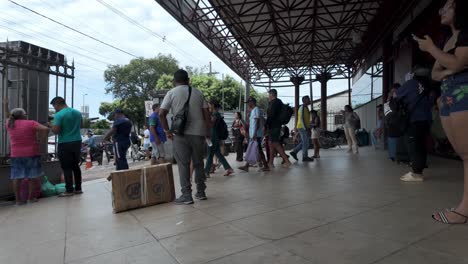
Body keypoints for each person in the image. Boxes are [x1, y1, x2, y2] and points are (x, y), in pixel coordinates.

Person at [414, 0, 468, 223]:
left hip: (463, 94)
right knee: (464, 154)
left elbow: (455, 64)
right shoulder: (447, 40)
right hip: (448, 96)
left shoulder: (465, 34)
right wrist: (452, 67)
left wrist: (433, 51)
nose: (441, 11)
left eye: (447, 6)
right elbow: (436, 73)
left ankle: (464, 211)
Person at [159, 69, 211, 205]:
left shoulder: (171, 93)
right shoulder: (198, 92)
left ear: (174, 81)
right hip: (198, 132)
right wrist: (208, 131)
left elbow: (161, 114)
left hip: (180, 133)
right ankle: (201, 192)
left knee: (183, 164)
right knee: (199, 163)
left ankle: (186, 195)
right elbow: (207, 113)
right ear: (188, 80)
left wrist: (167, 131)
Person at [3, 98, 50, 205]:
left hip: (16, 154)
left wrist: (5, 105)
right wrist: (41, 141)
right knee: (32, 177)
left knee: (17, 177)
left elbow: (7, 116)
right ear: (22, 115)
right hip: (32, 153)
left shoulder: (10, 124)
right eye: (25, 113)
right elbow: (46, 129)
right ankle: (30, 199)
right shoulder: (31, 123)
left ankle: (18, 201)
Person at [396, 67, 433, 182]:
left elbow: (397, 95)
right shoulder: (430, 87)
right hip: (426, 120)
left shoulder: (411, 84)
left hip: (414, 119)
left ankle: (416, 174)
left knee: (414, 145)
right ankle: (418, 170)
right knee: (421, 145)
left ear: (414, 75)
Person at [49, 97, 83, 197]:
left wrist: (50, 125)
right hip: (77, 141)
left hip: (65, 143)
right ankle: (78, 188)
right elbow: (81, 126)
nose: (54, 108)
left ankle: (69, 190)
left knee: (67, 167)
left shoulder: (59, 115)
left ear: (57, 104)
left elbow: (56, 131)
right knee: (76, 166)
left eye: (54, 106)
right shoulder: (77, 112)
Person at [204, 100, 234, 177]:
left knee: (210, 153)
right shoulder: (216, 114)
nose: (208, 106)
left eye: (209, 105)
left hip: (212, 135)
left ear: (213, 105)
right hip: (215, 135)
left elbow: (211, 124)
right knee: (218, 153)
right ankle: (229, 168)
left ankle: (206, 171)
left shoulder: (215, 114)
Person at [239, 97, 269, 172]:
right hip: (254, 134)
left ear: (252, 102)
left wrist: (255, 133)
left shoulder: (256, 110)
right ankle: (247, 166)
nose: (248, 104)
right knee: (252, 149)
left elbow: (257, 122)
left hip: (256, 134)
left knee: (258, 149)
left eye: (248, 103)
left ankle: (265, 165)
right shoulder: (253, 111)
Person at [266, 89, 291, 167]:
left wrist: (266, 125)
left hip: (274, 126)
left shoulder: (275, 103)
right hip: (275, 126)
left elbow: (271, 115)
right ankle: (270, 162)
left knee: (275, 143)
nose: (268, 97)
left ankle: (287, 161)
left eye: (268, 95)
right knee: (271, 144)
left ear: (271, 94)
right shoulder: (278, 102)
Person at [290, 96, 314, 162]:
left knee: (304, 142)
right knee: (306, 142)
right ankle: (304, 157)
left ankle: (294, 152)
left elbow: (306, 119)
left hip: (303, 127)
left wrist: (308, 127)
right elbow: (301, 118)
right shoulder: (302, 108)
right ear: (304, 100)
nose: (309, 100)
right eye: (308, 99)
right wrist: (306, 128)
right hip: (302, 127)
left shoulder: (306, 108)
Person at [384, 84, 402, 161]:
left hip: (399, 122)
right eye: (391, 92)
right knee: (391, 138)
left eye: (394, 91)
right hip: (392, 122)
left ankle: (398, 155)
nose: (392, 93)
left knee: (399, 139)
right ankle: (392, 155)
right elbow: (386, 111)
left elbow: (393, 110)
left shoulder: (401, 99)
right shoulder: (391, 101)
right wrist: (389, 98)